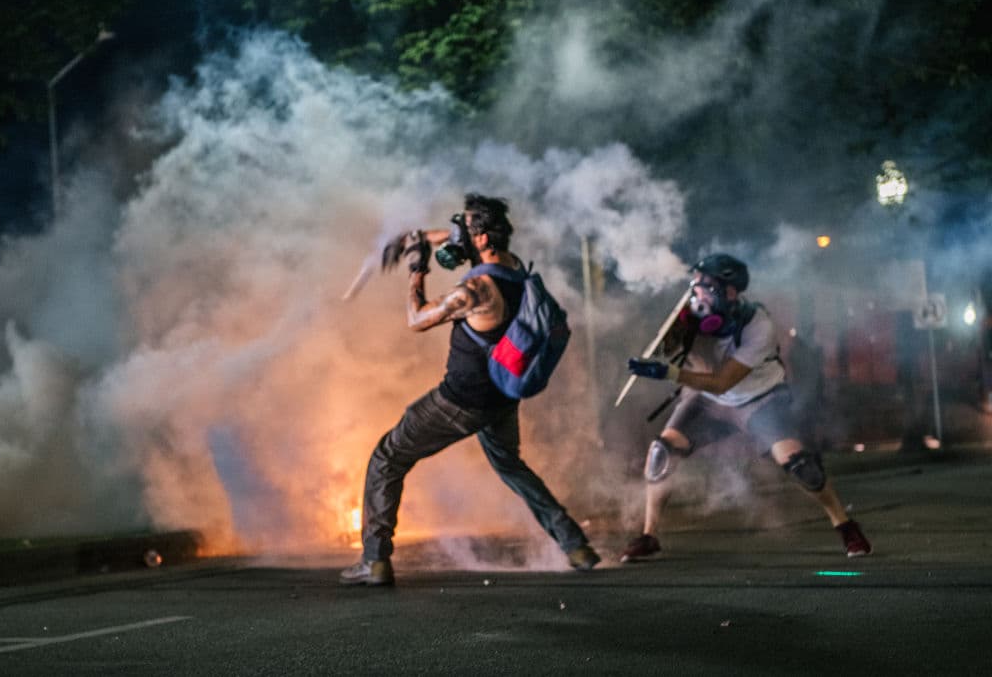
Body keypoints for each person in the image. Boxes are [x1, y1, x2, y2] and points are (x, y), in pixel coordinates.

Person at [340, 193, 600, 586]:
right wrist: (415, 237)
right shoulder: (513, 269)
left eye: (464, 230)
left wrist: (416, 269)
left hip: (461, 401)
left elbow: (416, 319)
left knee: (386, 457)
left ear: (480, 239)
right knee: (511, 466)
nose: (456, 237)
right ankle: (575, 544)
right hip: (502, 397)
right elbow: (460, 236)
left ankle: (375, 561)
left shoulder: (475, 289)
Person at [621, 253, 872, 562]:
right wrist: (670, 350)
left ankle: (845, 525)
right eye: (696, 283)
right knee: (661, 453)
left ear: (729, 292)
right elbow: (681, 361)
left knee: (802, 468)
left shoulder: (758, 326)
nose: (697, 291)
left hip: (760, 400)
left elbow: (722, 381)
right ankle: (649, 536)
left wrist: (669, 373)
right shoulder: (689, 315)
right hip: (707, 401)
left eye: (706, 285)